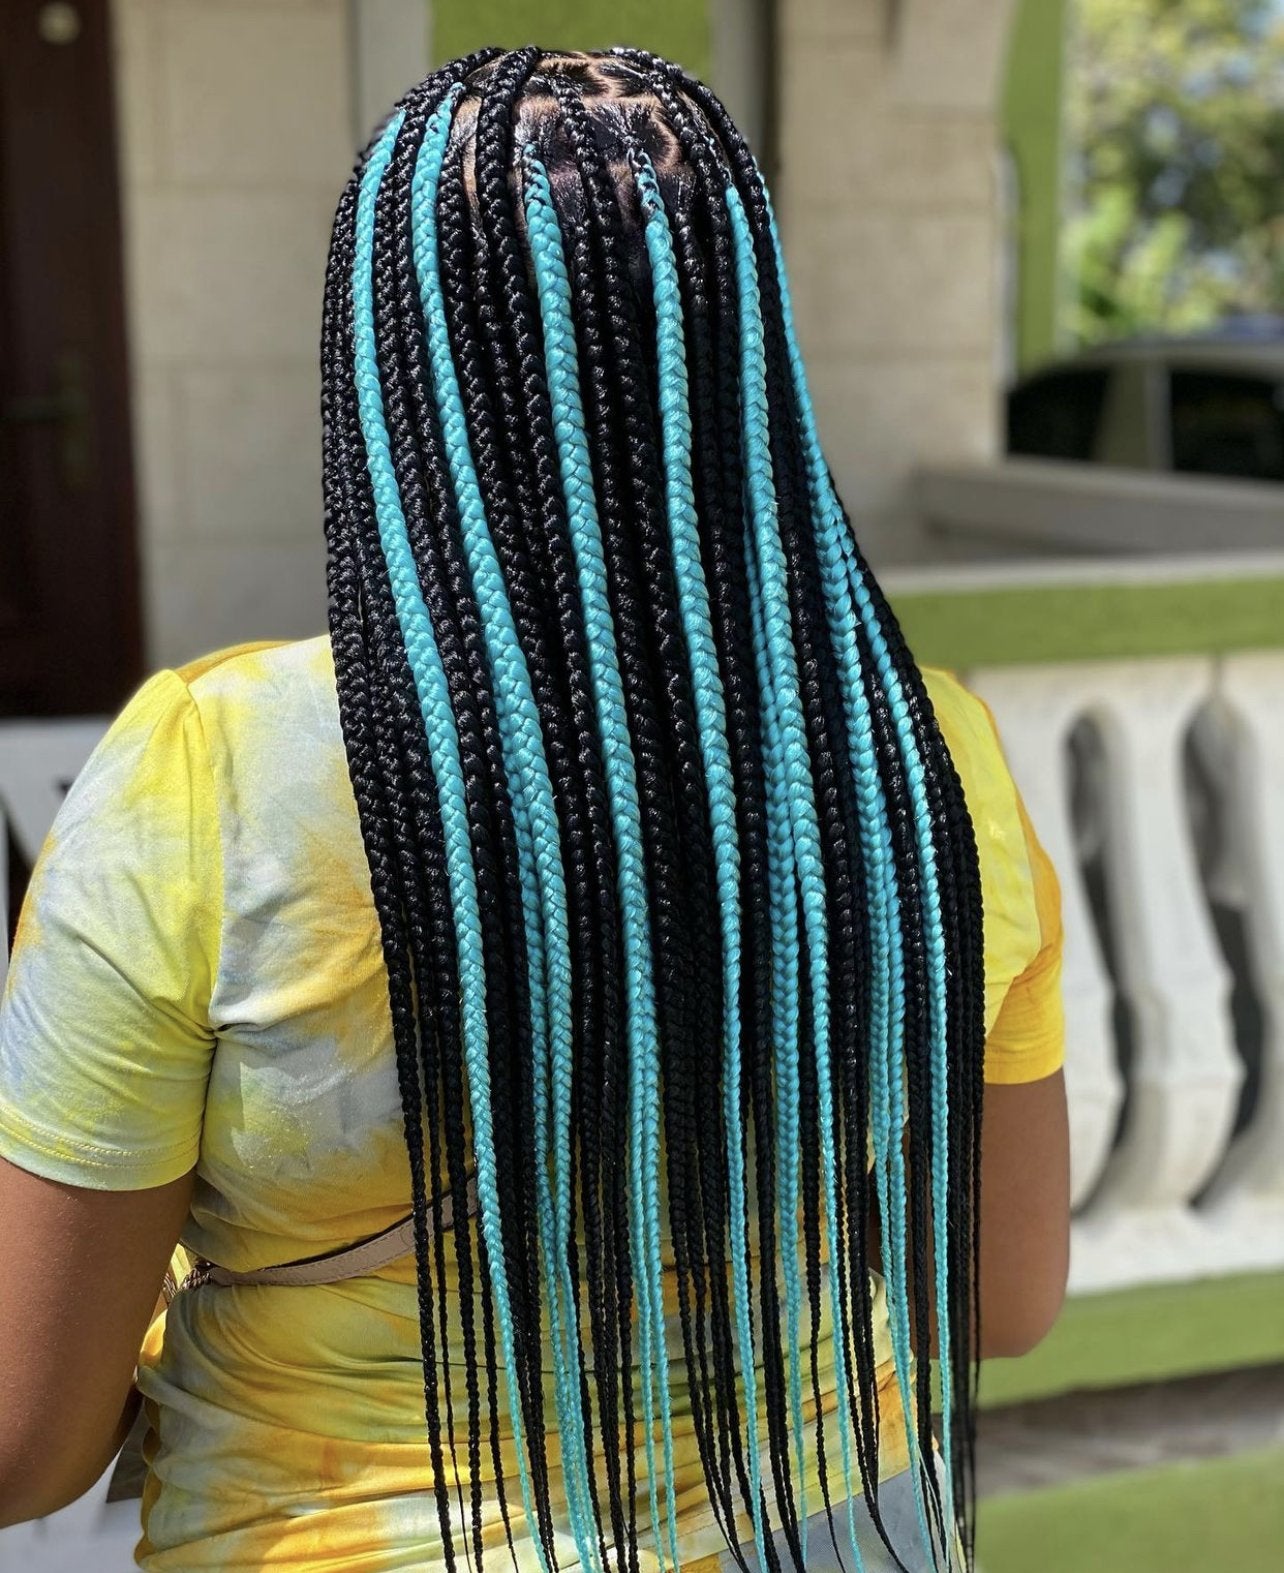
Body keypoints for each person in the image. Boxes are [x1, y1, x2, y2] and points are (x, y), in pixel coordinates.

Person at [0, 48, 1069, 1573]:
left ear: (390, 358)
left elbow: (28, 1439)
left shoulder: (212, 773)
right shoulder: (927, 755)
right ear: (745, 348)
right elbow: (1006, 1295)